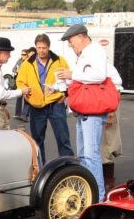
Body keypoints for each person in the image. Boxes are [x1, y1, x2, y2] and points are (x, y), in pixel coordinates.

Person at [57, 24, 108, 201]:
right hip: (84, 112)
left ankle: (98, 196)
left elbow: (99, 76)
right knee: (84, 156)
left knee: (91, 156)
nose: (71, 46)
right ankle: (89, 192)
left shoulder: (95, 51)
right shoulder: (85, 54)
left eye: (71, 42)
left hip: (92, 113)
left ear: (80, 37)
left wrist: (72, 74)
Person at [16, 34, 73, 164]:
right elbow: (20, 82)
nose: (41, 50)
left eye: (44, 48)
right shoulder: (27, 63)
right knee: (37, 140)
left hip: (55, 104)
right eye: (39, 48)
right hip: (36, 106)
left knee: (63, 138)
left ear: (49, 47)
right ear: (36, 47)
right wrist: (28, 97)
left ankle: (68, 167)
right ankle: (40, 169)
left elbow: (68, 80)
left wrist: (63, 96)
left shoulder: (59, 60)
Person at [101, 63, 123, 192]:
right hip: (96, 109)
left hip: (108, 108)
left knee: (107, 146)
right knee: (98, 148)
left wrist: (111, 113)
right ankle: (102, 181)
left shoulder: (105, 67)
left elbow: (116, 88)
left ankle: (108, 183)